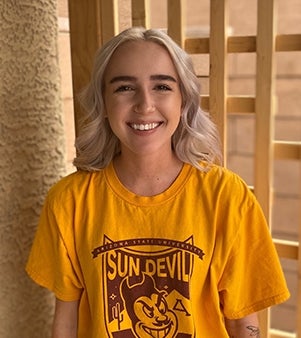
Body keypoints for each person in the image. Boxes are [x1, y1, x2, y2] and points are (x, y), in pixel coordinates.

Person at [26, 27, 290, 338]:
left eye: (162, 86)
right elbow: (67, 321)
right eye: (125, 87)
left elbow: (242, 322)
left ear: (184, 100)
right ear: (103, 103)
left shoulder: (227, 198)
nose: (145, 105)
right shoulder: (68, 202)